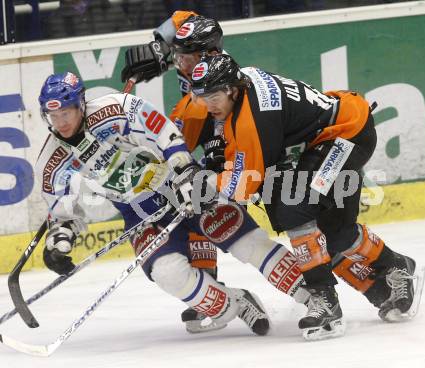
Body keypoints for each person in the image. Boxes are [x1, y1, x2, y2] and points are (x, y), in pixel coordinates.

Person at [36, 71, 308, 337]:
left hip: (177, 181)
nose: (61, 123)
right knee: (168, 273)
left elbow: (165, 133)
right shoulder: (51, 162)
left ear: (80, 105)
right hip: (139, 212)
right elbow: (64, 212)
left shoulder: (114, 110)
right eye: (53, 116)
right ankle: (235, 303)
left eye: (66, 113)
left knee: (248, 242)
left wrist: (186, 170)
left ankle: (314, 296)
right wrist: (59, 241)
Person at [188, 54, 425, 340]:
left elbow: (244, 185)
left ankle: (325, 300)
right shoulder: (244, 81)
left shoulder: (253, 119)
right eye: (202, 97)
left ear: (232, 90)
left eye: (213, 96)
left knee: (292, 208)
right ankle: (397, 265)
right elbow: (249, 153)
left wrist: (210, 181)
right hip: (344, 128)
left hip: (345, 137)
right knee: (335, 233)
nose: (208, 105)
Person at [120, 11, 232, 331]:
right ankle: (208, 283)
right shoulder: (191, 45)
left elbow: (212, 118)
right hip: (200, 116)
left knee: (201, 195)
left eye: (185, 54)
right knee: (192, 194)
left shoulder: (219, 73)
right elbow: (181, 18)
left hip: (222, 130)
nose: (179, 58)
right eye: (178, 51)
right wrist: (159, 47)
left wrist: (215, 152)